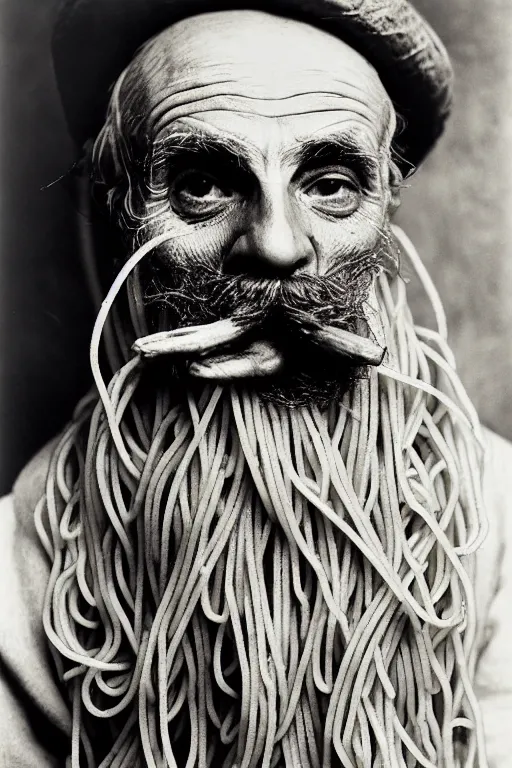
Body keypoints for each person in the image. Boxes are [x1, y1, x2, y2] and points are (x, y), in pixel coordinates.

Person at [0, 1, 511, 766]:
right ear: (123, 207)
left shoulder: (496, 519)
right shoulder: (21, 564)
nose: (276, 244)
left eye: (332, 183)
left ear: (389, 204)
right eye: (202, 184)